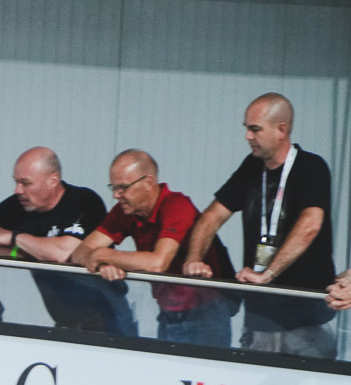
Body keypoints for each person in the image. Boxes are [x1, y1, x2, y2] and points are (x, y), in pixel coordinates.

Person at [182, 94, 337, 358]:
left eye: (255, 129)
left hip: (307, 318)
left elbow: (310, 224)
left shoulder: (311, 167)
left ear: (281, 130)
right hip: (260, 318)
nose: (248, 137)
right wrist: (194, 258)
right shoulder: (251, 168)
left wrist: (269, 274)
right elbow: (211, 217)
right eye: (246, 129)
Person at [0, 147, 134, 336]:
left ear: (53, 180)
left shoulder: (84, 201)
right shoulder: (18, 204)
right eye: (16, 182)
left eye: (26, 183)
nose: (18, 190)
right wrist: (20, 251)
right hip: (64, 321)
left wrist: (15, 237)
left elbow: (63, 253)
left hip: (108, 317)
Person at [76, 150, 235, 348]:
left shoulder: (177, 206)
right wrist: (102, 266)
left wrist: (103, 255)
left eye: (123, 187)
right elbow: (79, 253)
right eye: (113, 188)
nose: (116, 195)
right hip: (166, 314)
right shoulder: (125, 212)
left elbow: (158, 263)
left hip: (204, 316)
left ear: (148, 182)